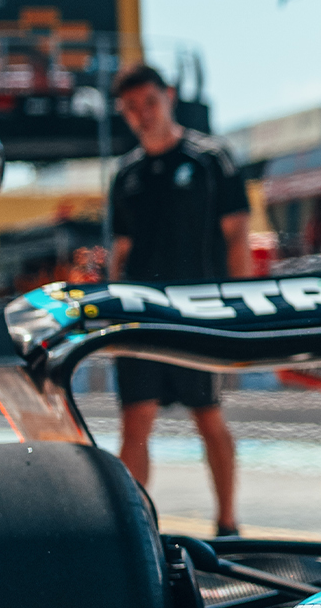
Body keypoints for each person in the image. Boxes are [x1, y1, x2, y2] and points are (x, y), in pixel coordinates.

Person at [107, 62, 252, 536]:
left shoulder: (211, 159)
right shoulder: (125, 175)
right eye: (131, 108)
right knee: (135, 424)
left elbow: (238, 237)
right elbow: (121, 253)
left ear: (168, 97)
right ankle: (134, 534)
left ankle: (228, 524)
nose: (143, 114)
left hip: (198, 316)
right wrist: (113, 321)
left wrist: (240, 311)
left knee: (209, 418)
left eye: (150, 102)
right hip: (141, 320)